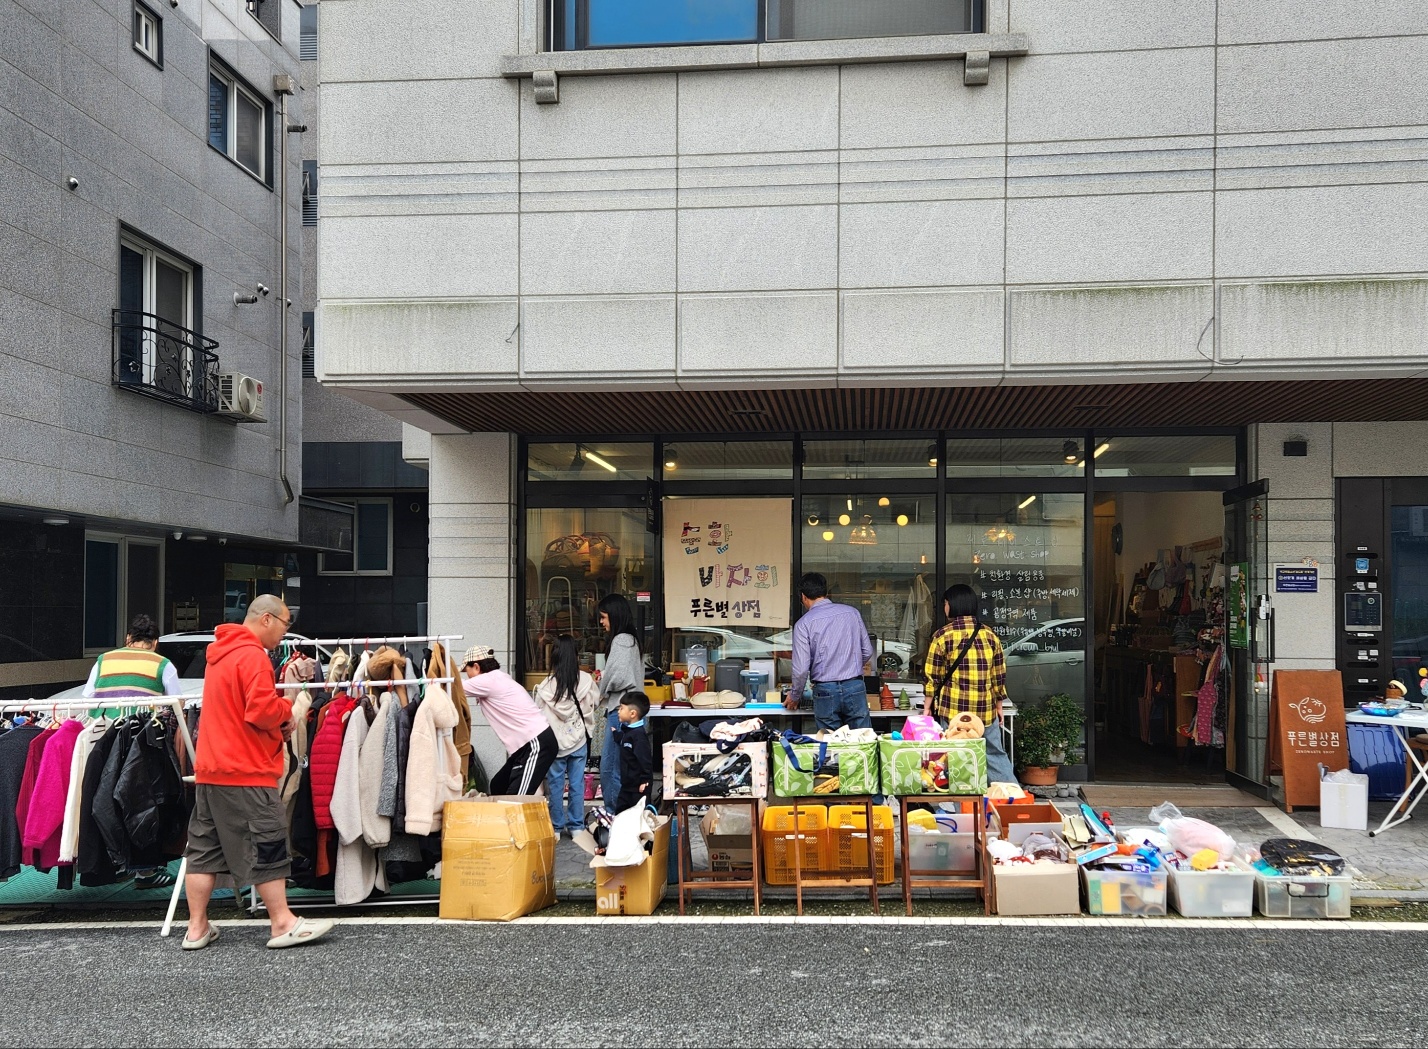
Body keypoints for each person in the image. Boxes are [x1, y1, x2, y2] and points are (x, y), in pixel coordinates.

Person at [182, 595, 334, 951]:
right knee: (267, 842)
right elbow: (260, 710)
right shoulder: (252, 656)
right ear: (266, 619)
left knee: (203, 849)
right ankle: (283, 923)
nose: (285, 633)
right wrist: (286, 711)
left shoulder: (220, 654)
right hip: (246, 769)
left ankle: (196, 928)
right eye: (284, 624)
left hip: (211, 769)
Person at [81, 613, 184, 890]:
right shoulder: (162, 664)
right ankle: (145, 872)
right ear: (155, 642)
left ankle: (114, 865)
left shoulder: (104, 660)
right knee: (141, 804)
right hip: (142, 741)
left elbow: (88, 698)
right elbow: (177, 703)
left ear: (128, 638)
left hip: (103, 738)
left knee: (105, 802)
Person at [921, 583, 1018, 786]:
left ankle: (960, 801)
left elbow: (932, 676)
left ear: (952, 605)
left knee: (953, 755)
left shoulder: (942, 636)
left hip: (953, 711)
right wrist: (999, 706)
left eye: (945, 603)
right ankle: (1010, 796)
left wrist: (927, 707)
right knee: (994, 753)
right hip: (984, 711)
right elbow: (998, 676)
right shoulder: (990, 635)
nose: (944, 608)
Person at [462, 646, 559, 796]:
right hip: (528, 745)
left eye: (467, 671)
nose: (467, 676)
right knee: (498, 786)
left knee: (516, 799)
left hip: (535, 743)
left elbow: (453, 687)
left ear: (476, 666)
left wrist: (432, 678)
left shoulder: (488, 680)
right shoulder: (499, 677)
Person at [784, 572, 874, 732]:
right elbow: (867, 650)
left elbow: (801, 669)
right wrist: (850, 666)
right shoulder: (852, 613)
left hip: (825, 689)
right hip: (854, 685)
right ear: (825, 592)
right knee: (862, 739)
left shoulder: (804, 624)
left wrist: (795, 695)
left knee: (830, 741)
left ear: (803, 596)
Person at [532, 636, 599, 837]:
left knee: (555, 785)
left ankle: (556, 827)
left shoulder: (546, 686)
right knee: (577, 784)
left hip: (555, 743)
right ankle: (576, 826)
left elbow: (537, 712)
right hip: (578, 740)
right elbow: (595, 702)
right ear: (575, 656)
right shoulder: (585, 680)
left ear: (555, 657)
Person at [594, 593, 643, 808]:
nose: (601, 622)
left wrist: (602, 686)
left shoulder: (621, 640)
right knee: (624, 767)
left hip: (621, 711)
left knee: (610, 767)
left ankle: (613, 815)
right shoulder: (631, 640)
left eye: (604, 617)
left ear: (614, 616)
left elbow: (619, 676)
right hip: (632, 710)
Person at [612, 691, 652, 814]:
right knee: (620, 814)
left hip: (638, 788)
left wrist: (645, 781)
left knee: (638, 816)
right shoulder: (628, 732)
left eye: (621, 708)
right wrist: (616, 734)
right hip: (626, 786)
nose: (618, 711)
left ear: (633, 713)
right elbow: (623, 741)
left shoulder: (639, 736)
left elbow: (645, 760)